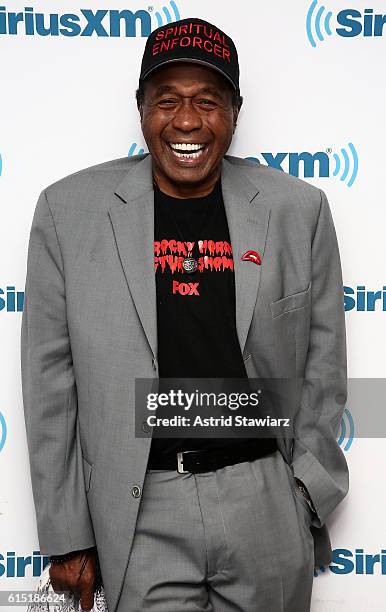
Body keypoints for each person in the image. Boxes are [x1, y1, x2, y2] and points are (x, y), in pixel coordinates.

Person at [21, 17, 349, 612]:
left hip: (263, 500)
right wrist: (67, 531)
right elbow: (49, 386)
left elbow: (324, 363)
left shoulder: (299, 210)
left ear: (235, 110)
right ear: (141, 107)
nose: (188, 121)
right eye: (167, 100)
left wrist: (304, 491)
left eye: (208, 101)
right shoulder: (67, 214)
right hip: (140, 508)